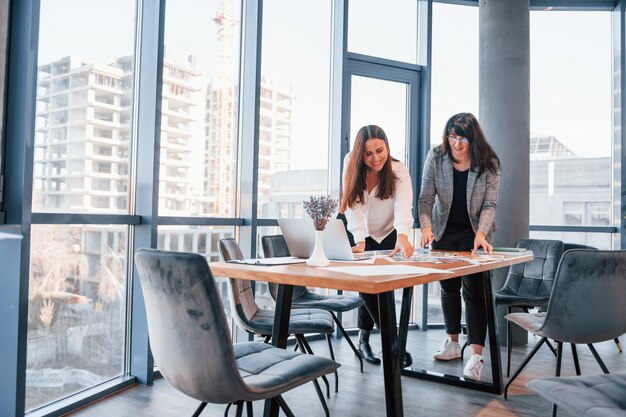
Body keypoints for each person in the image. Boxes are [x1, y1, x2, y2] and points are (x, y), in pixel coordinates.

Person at [418, 112, 500, 381]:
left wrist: (482, 233)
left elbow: (489, 204)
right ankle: (453, 342)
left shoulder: (488, 162)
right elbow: (425, 198)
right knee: (448, 288)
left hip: (475, 234)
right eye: (452, 136)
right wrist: (427, 227)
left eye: (462, 138)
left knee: (475, 292)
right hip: (443, 232)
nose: (456, 143)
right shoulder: (436, 156)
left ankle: (476, 356)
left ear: (472, 138)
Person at [340, 124, 415, 367]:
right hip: (360, 231)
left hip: (390, 232)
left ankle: (368, 339)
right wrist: (359, 239)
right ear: (360, 153)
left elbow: (403, 205)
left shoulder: (398, 170)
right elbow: (353, 205)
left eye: (380, 151)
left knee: (382, 288)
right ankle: (390, 342)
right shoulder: (350, 163)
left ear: (387, 147)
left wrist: (403, 235)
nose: (375, 158)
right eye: (368, 154)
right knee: (367, 286)